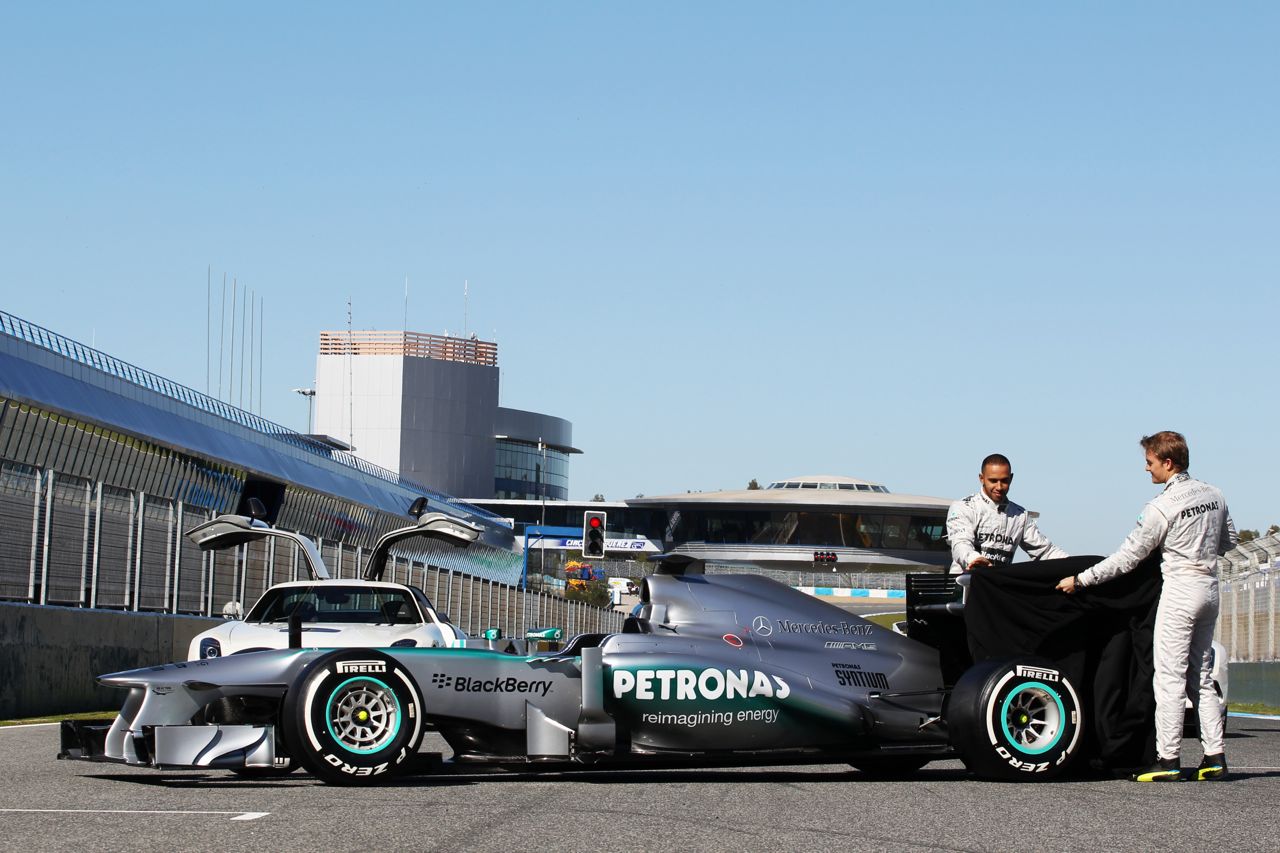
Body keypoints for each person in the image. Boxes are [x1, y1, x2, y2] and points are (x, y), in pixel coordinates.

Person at [1056, 431, 1237, 782]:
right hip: (1210, 589)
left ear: (1167, 463)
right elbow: (1228, 542)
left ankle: (1167, 759)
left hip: (1180, 591)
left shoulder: (1160, 507)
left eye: (1150, 462)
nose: (1146, 468)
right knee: (1199, 677)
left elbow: (1128, 558)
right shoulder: (1215, 495)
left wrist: (1081, 580)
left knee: (1168, 678)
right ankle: (1215, 756)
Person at [946, 453, 1068, 575]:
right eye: (993, 481)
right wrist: (974, 559)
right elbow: (960, 544)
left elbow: (1045, 552)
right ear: (981, 478)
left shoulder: (1020, 515)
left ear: (1011, 478)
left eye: (1004, 481)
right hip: (965, 586)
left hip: (997, 587)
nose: (999, 487)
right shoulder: (963, 507)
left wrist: (1078, 565)